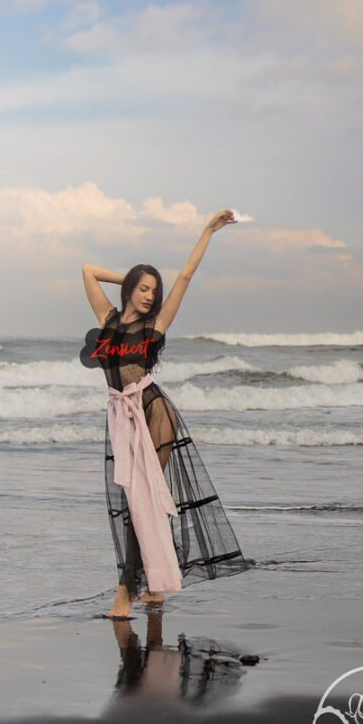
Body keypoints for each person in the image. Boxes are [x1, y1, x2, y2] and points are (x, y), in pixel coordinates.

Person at [82, 208, 253, 618]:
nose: (148, 296)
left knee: (142, 505)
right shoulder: (107, 321)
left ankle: (126, 593)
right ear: (129, 289)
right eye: (142, 288)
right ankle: (154, 588)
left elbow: (186, 277)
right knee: (135, 504)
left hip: (152, 412)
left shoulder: (155, 326)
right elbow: (87, 270)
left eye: (152, 291)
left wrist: (207, 231)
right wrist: (125, 278)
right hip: (122, 419)